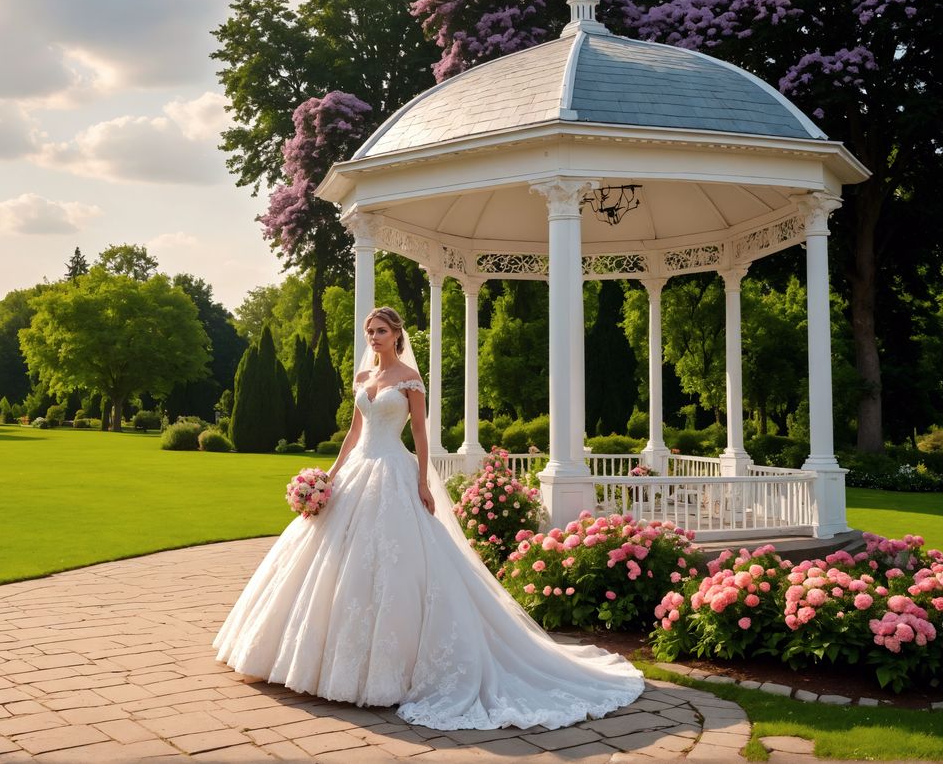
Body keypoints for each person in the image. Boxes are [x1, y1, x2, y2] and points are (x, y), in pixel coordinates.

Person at [213, 306, 644, 730]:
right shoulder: (363, 378)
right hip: (357, 474)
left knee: (397, 567)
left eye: (381, 331)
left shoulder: (410, 380)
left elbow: (419, 433)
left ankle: (387, 674)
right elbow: (353, 432)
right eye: (370, 332)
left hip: (393, 473)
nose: (374, 338)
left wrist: (422, 481)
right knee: (328, 563)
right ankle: (309, 663)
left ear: (397, 335)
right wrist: (328, 476)